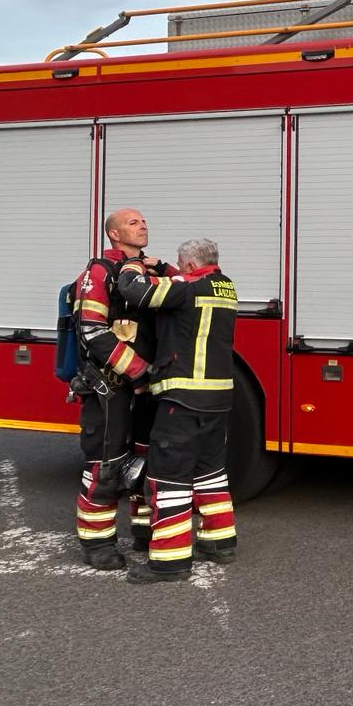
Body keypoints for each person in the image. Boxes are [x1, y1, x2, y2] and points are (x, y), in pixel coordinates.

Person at [116, 237, 240, 584]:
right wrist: (166, 269)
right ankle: (220, 543)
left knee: (167, 479)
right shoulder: (224, 286)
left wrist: (134, 264)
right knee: (210, 475)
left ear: (188, 266)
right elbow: (185, 282)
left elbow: (135, 292)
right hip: (217, 401)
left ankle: (169, 562)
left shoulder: (185, 289)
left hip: (183, 399)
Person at [72, 208, 167, 570]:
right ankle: (97, 543)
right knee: (106, 467)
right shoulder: (99, 273)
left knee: (146, 463)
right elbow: (92, 330)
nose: (143, 225)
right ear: (113, 234)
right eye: (133, 222)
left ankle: (144, 533)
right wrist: (139, 373)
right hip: (110, 389)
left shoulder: (149, 271)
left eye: (144, 220)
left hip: (149, 387)